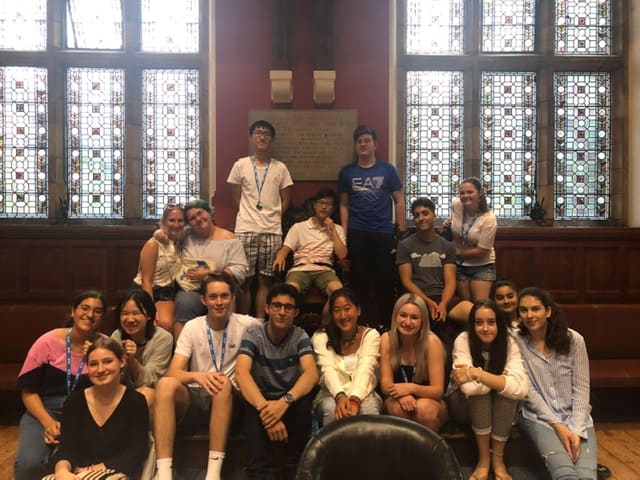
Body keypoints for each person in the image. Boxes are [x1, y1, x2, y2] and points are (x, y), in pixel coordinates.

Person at [153, 272, 261, 480]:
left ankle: (213, 474)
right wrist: (198, 376)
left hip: (229, 398)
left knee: (222, 384)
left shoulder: (247, 324)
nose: (219, 302)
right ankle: (164, 473)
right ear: (204, 300)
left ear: (232, 298)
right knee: (166, 385)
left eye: (224, 296)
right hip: (197, 395)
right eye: (213, 297)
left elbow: (275, 324)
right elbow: (173, 371)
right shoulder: (193, 327)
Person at [14, 290, 106, 480]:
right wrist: (48, 423)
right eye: (85, 308)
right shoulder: (46, 342)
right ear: (73, 311)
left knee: (66, 464)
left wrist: (93, 360)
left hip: (86, 414)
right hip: (44, 410)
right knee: (29, 464)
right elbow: (28, 392)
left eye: (97, 311)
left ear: (102, 317)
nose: (90, 315)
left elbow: (111, 391)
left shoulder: (104, 345)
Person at [235, 283, 318, 479]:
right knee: (248, 401)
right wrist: (267, 412)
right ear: (267, 309)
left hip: (289, 403)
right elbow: (241, 374)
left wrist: (284, 402)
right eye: (276, 306)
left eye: (288, 307)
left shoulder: (299, 336)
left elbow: (311, 374)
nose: (281, 312)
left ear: (295, 312)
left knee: (305, 399)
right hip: (260, 404)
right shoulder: (254, 334)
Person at [515, 287, 598, 480]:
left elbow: (582, 388)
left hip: (578, 418)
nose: (529, 315)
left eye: (535, 309)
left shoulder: (574, 340)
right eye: (524, 310)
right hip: (539, 418)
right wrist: (559, 426)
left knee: (586, 476)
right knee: (565, 474)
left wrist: (576, 430)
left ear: (548, 311)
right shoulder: (516, 342)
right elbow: (529, 392)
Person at [45, 337, 149, 480]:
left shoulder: (136, 401)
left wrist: (90, 471)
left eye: (107, 361)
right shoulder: (74, 402)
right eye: (93, 364)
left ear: (122, 362)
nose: (100, 369)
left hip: (117, 472)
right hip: (76, 471)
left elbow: (136, 452)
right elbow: (67, 448)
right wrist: (62, 471)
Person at [447, 299, 529, 480]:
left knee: (508, 395)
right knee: (485, 394)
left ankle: (498, 460)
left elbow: (521, 389)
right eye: (479, 322)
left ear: (499, 323)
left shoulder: (509, 341)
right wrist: (501, 379)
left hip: (498, 405)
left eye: (491, 322)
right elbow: (469, 389)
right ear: (472, 324)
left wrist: (476, 373)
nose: (485, 328)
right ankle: (484, 460)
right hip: (462, 404)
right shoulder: (463, 339)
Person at [338, 125, 407, 329]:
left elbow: (399, 200)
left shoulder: (387, 170)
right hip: (357, 232)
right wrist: (344, 232)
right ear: (355, 145)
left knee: (384, 280)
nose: (363, 144)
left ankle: (385, 323)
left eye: (367, 141)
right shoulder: (347, 172)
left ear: (375, 144)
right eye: (359, 141)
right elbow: (343, 204)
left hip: (383, 232)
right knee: (359, 281)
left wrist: (401, 228)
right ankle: (361, 322)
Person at [227, 120, 293, 319]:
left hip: (271, 231)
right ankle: (243, 323)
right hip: (245, 229)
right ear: (251, 137)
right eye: (257, 132)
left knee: (266, 280)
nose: (261, 136)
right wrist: (251, 216)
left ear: (271, 139)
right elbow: (236, 197)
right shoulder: (241, 165)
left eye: (265, 133)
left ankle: (260, 323)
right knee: (244, 280)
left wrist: (270, 217)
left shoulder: (280, 167)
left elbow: (286, 200)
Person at [174, 199, 248, 340]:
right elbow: (168, 236)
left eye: (200, 213)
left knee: (224, 299)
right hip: (193, 288)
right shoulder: (186, 236)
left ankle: (227, 346)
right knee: (184, 302)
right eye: (192, 218)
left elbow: (240, 270)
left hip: (222, 286)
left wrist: (210, 274)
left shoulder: (230, 239)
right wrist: (159, 233)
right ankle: (182, 354)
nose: (198, 219)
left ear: (209, 212)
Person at [311, 288, 382, 427]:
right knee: (332, 409)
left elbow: (365, 369)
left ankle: (371, 449)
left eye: (347, 308)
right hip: (330, 394)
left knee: (368, 408)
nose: (343, 315)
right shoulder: (321, 336)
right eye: (337, 310)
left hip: (365, 392)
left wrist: (355, 399)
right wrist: (340, 396)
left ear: (358, 310)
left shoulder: (371, 335)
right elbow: (328, 370)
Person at [379, 294, 447, 432]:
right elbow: (386, 385)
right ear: (395, 316)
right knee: (397, 408)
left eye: (414, 318)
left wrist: (410, 388)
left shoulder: (432, 342)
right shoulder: (387, 339)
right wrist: (402, 394)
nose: (408, 322)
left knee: (424, 409)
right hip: (397, 398)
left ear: (423, 321)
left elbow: (438, 391)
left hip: (431, 401)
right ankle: (402, 453)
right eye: (403, 315)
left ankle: (427, 453)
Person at [272, 188, 347, 310]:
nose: (324, 207)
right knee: (288, 293)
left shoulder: (338, 229)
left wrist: (332, 230)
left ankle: (324, 325)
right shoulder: (299, 227)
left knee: (338, 293)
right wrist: (280, 256)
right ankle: (290, 327)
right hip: (300, 268)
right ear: (315, 205)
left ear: (333, 209)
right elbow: (285, 248)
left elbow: (342, 255)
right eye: (321, 203)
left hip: (324, 269)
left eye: (328, 204)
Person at [111, 289, 173, 407]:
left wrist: (130, 359)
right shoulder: (117, 336)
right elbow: (115, 377)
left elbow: (150, 380)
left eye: (136, 313)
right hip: (124, 392)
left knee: (144, 394)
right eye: (124, 313)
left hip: (155, 395)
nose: (130, 319)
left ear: (149, 315)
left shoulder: (163, 338)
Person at [132, 204, 185, 332]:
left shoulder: (183, 243)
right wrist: (150, 309)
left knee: (169, 324)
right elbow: (146, 280)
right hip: (147, 290)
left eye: (180, 220)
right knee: (158, 322)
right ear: (164, 222)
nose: (176, 224)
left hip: (168, 291)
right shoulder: (154, 244)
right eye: (172, 220)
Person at [446, 177, 497, 302]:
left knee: (479, 307)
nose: (465, 196)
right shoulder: (456, 204)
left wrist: (456, 252)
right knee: (466, 307)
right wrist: (448, 223)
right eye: (462, 192)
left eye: (470, 192)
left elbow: (482, 251)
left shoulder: (489, 218)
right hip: (459, 265)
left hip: (481, 266)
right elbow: (456, 222)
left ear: (480, 193)